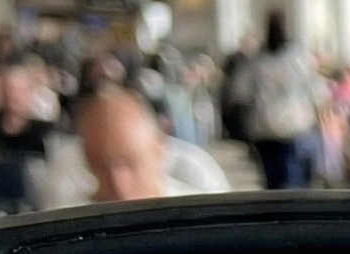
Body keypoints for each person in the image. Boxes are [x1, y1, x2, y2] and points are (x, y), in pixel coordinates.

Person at [71, 85, 231, 203]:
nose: (119, 185)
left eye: (131, 164)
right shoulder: (68, 227)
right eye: (101, 167)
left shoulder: (200, 214)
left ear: (159, 149)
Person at [244, 11, 319, 190]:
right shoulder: (298, 59)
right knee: (289, 181)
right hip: (290, 127)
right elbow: (315, 92)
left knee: (275, 181)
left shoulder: (258, 61)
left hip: (269, 127)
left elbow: (244, 95)